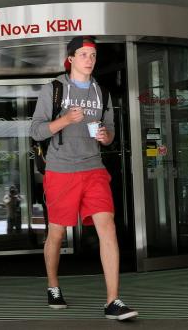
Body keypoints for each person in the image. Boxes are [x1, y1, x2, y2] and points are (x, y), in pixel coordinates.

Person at [29, 36, 138, 320]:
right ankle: (53, 286)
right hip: (61, 170)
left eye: (93, 54)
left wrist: (106, 136)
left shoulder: (102, 93)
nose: (89, 59)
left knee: (107, 226)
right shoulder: (53, 89)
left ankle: (112, 300)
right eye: (84, 54)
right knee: (56, 233)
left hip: (94, 169)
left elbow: (111, 131)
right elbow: (36, 131)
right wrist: (65, 119)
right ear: (71, 59)